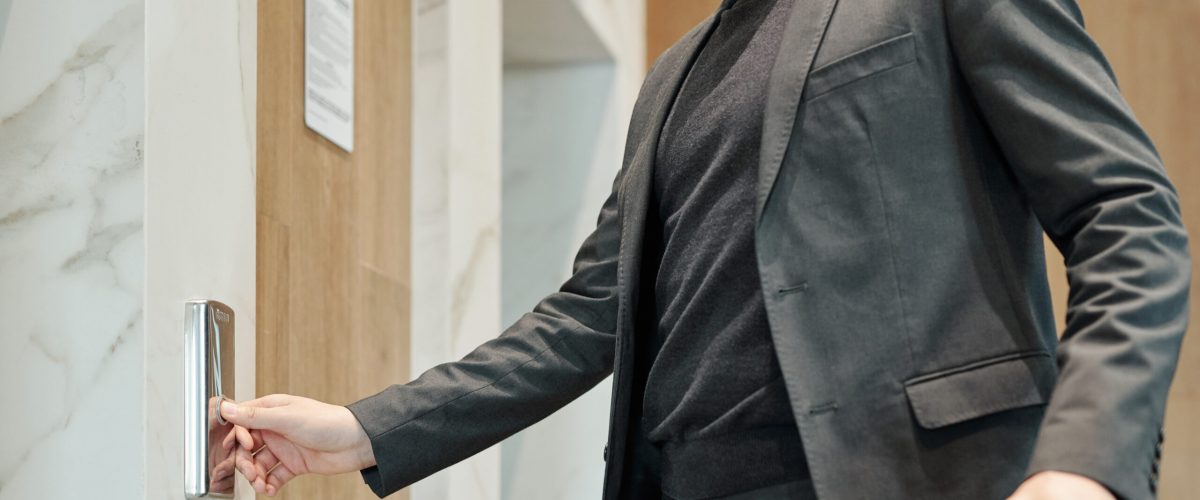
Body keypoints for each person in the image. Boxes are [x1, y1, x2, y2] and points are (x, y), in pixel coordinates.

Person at [222, 0, 1191, 498]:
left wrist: (1086, 462)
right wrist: (366, 426)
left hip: (911, 475)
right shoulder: (677, 70)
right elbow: (588, 312)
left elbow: (1128, 214)